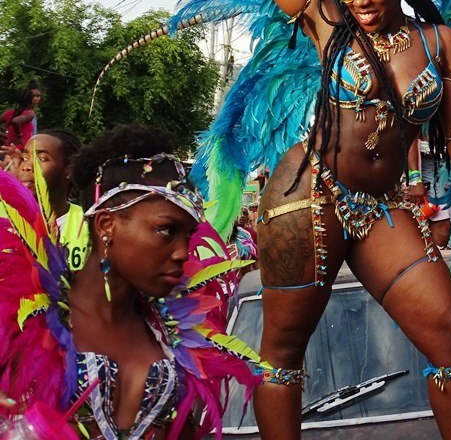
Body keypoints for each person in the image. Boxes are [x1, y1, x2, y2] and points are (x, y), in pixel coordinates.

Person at [170, 0, 451, 440]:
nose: (361, 1)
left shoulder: (439, 42)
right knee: (284, 354)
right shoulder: (327, 21)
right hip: (309, 198)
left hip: (378, 210)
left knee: (450, 334)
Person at [0, 124, 258, 439]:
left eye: (188, 236)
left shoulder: (176, 337)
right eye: (166, 230)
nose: (182, 252)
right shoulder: (20, 321)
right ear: (107, 225)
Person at [17, 129, 89, 271]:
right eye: (24, 158)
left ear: (69, 169)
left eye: (42, 159)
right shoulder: (5, 220)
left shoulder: (89, 226)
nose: (27, 166)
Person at [2, 84, 41, 153]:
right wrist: (19, 135)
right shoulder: (30, 113)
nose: (36, 99)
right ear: (26, 98)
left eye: (38, 96)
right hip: (20, 151)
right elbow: (15, 121)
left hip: (8, 149)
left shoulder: (9, 113)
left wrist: (5, 134)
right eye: (33, 96)